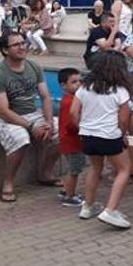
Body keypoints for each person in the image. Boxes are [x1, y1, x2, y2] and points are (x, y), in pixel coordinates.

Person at [0, 32, 58, 203]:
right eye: (17, 44)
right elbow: (3, 110)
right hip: (7, 118)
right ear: (5, 50)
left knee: (61, 129)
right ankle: (8, 182)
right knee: (20, 138)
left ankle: (45, 173)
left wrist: (48, 122)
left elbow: (45, 97)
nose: (22, 47)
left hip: (33, 114)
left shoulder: (34, 67)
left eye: (23, 43)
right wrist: (30, 127)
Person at [68, 51, 133, 229]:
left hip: (88, 135)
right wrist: (122, 135)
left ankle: (87, 206)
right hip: (109, 135)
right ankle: (110, 210)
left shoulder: (84, 88)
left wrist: (83, 127)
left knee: (95, 168)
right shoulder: (120, 91)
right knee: (124, 169)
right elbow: (124, 118)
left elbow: (73, 113)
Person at [57, 68, 85, 207]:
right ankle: (69, 195)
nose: (78, 84)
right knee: (75, 170)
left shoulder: (68, 99)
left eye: (80, 81)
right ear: (64, 85)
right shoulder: (70, 102)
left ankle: (66, 190)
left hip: (68, 140)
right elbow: (71, 124)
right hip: (72, 141)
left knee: (73, 168)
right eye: (74, 82)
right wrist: (83, 129)